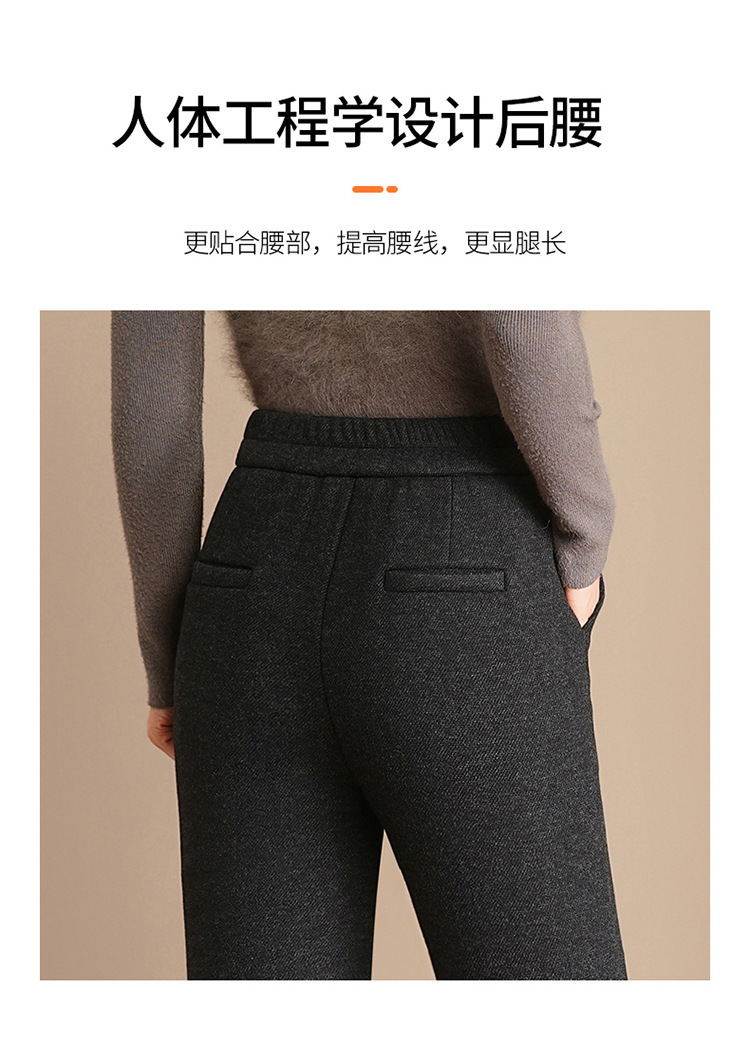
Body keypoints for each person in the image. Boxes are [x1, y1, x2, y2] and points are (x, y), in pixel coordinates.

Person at [110, 309, 628, 980]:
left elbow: (150, 402)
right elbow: (520, 321)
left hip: (251, 575)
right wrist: (586, 538)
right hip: (466, 559)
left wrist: (170, 657)